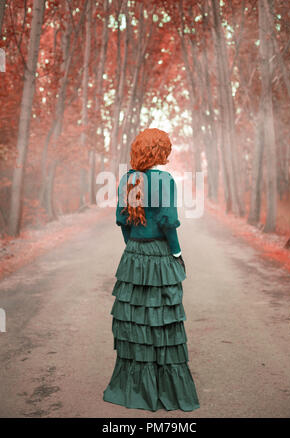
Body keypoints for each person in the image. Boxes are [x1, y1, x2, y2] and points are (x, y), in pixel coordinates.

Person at [103, 128, 200, 412]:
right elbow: (169, 222)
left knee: (136, 320)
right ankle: (167, 388)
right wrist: (177, 252)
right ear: (160, 152)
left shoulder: (129, 179)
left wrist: (133, 247)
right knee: (163, 317)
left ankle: (134, 387)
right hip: (159, 254)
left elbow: (124, 221)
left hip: (133, 255)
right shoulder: (164, 180)